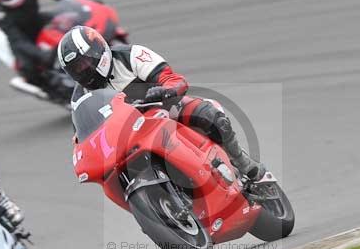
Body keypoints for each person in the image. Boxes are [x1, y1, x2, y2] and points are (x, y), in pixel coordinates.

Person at [59, 26, 266, 181]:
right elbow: (83, 133)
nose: (83, 71)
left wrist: (165, 90)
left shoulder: (130, 56)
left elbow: (174, 79)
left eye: (85, 62)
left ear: (98, 51)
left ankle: (241, 162)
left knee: (209, 114)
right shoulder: (80, 97)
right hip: (128, 135)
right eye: (76, 69)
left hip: (164, 108)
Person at [0, 0, 77, 90]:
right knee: (28, 68)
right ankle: (56, 92)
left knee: (71, 18)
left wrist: (87, 1)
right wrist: (42, 55)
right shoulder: (1, 15)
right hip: (24, 37)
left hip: (37, 20)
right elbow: (18, 40)